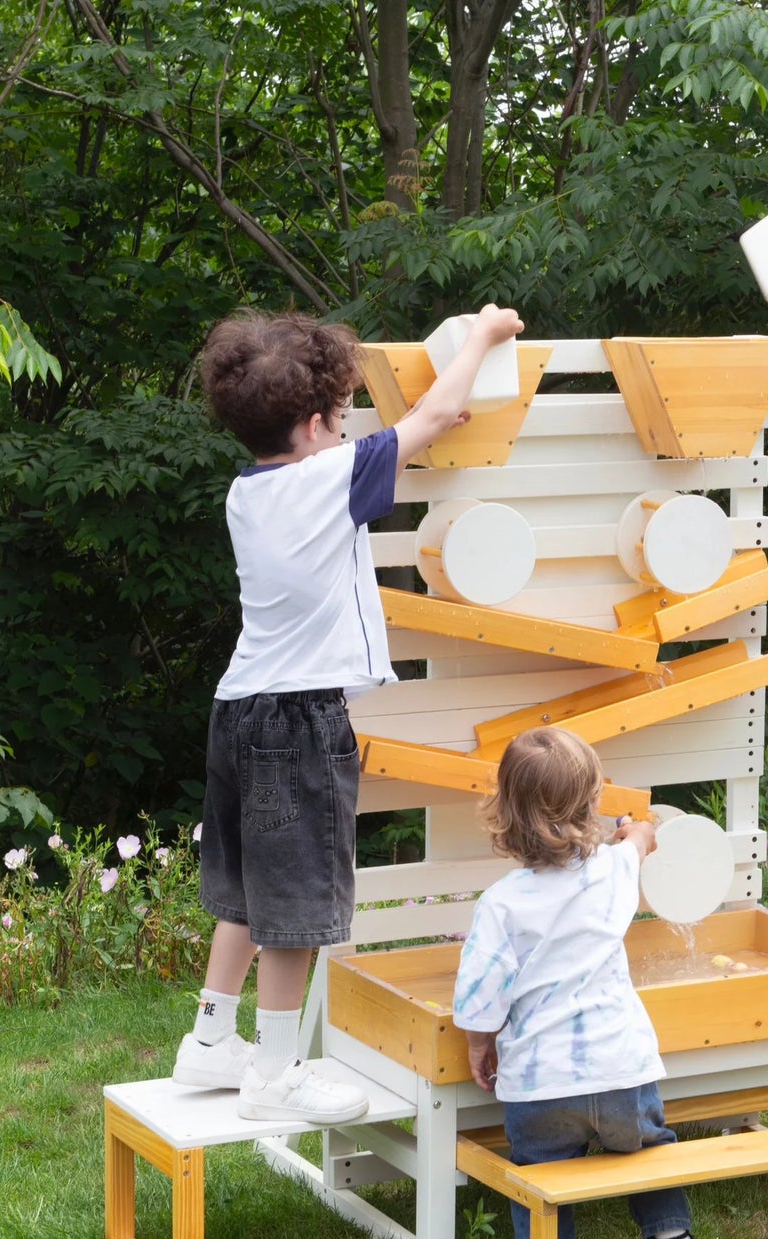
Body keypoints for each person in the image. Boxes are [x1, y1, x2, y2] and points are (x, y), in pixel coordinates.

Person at [173, 303, 524, 1123]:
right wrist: (484, 333)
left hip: (239, 709)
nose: (346, 433)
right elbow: (430, 417)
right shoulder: (329, 475)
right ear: (312, 422)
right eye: (338, 419)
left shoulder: (248, 491)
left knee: (249, 893)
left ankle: (210, 1039)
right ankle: (275, 1071)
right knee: (294, 907)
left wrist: (416, 430)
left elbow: (411, 435)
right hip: (296, 719)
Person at [451, 726, 713, 1239]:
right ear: (592, 804)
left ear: (507, 813)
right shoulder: (612, 872)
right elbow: (639, 842)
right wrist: (637, 829)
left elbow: (479, 995)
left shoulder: (501, 904)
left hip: (540, 1083)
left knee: (539, 1171)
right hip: (621, 1068)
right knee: (649, 1151)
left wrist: (479, 1042)